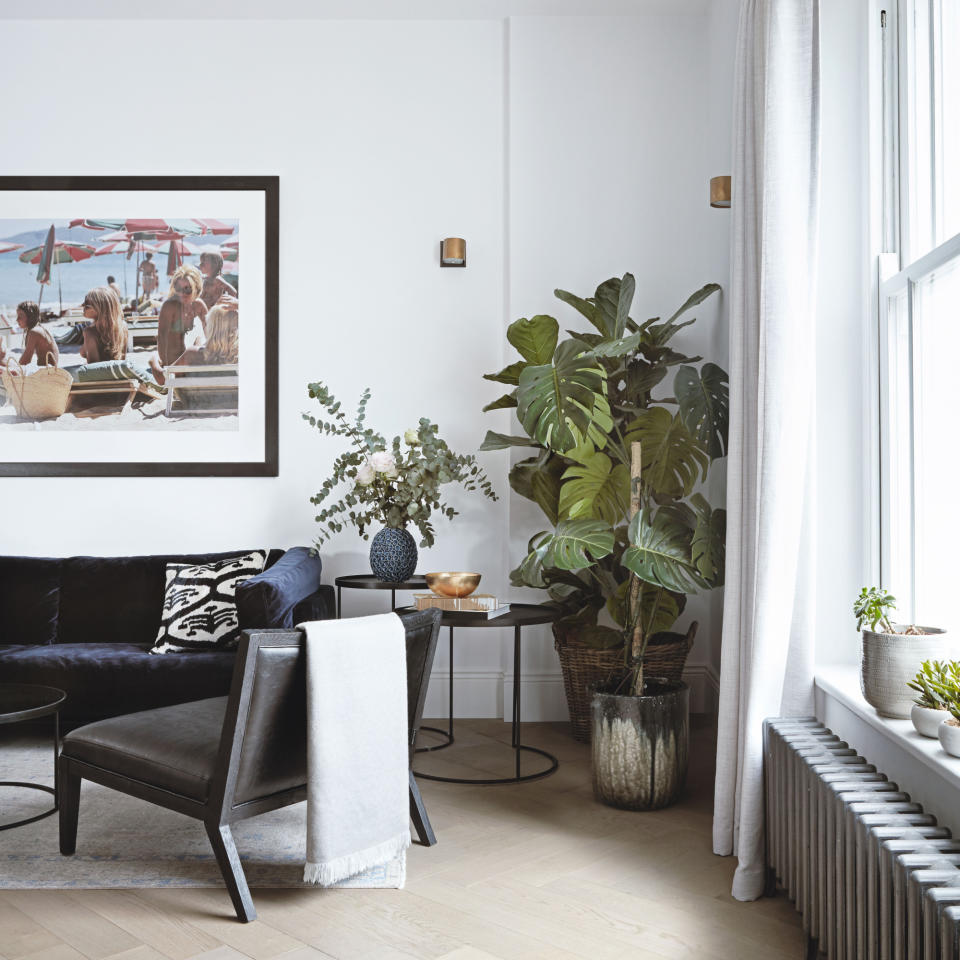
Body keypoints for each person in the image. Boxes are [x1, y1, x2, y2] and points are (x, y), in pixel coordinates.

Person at [149, 304, 238, 386]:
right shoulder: (241, 356)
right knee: (199, 340)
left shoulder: (192, 354)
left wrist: (153, 360)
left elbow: (162, 379)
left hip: (197, 402)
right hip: (231, 401)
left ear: (212, 327)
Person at [157, 264, 208, 365]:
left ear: (196, 288)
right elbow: (161, 339)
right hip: (172, 362)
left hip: (189, 360)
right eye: (178, 289)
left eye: (187, 289)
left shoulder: (198, 305)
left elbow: (211, 332)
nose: (182, 293)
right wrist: (167, 368)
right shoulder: (169, 306)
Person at [79, 287, 128, 363]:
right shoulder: (122, 327)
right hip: (118, 372)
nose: (82, 306)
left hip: (99, 374)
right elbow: (122, 361)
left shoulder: (89, 332)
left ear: (100, 309)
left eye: (87, 305)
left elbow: (93, 368)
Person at [14, 301, 59, 367]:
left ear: (30, 316)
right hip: (50, 369)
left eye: (20, 316)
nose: (17, 319)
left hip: (47, 372)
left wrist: (15, 370)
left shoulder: (34, 332)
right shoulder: (39, 328)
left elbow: (26, 360)